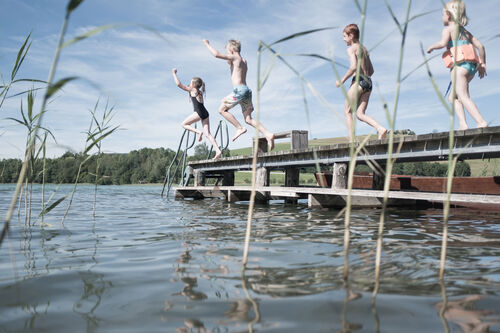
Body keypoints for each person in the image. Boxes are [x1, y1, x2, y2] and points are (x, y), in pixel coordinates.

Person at [202, 39, 275, 150]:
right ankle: (268, 134)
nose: (226, 54)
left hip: (239, 90)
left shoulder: (235, 57)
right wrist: (230, 64)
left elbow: (216, 54)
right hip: (246, 91)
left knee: (221, 109)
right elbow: (236, 70)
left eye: (227, 51)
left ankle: (239, 128)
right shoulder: (243, 61)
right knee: (248, 119)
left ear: (231, 51)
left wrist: (207, 44)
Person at [427, 0, 488, 130]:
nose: (442, 17)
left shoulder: (448, 29)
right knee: (453, 97)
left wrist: (432, 46)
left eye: (443, 14)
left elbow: (443, 43)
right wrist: (482, 64)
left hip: (459, 68)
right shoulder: (465, 31)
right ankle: (463, 124)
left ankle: (481, 121)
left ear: (448, 15)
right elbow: (481, 46)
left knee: (463, 96)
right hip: (471, 68)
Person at [336, 24, 387, 142]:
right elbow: (372, 71)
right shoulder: (364, 49)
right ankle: (380, 128)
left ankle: (352, 140)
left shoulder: (351, 49)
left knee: (347, 111)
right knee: (359, 114)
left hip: (358, 81)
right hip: (368, 82)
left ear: (351, 35)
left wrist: (342, 80)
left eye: (344, 36)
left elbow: (353, 67)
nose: (343, 39)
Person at [172, 68, 222, 160]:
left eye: (191, 82)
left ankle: (198, 132)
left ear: (194, 84)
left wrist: (174, 73)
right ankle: (218, 150)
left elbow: (179, 84)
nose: (189, 84)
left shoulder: (192, 90)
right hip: (205, 113)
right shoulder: (199, 91)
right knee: (208, 134)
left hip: (198, 113)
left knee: (183, 124)